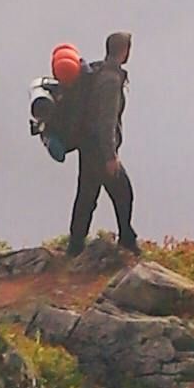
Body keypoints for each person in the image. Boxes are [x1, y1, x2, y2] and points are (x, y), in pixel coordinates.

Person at [65, 29, 136, 254]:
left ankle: (75, 246)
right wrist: (110, 156)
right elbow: (106, 121)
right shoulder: (111, 81)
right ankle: (127, 239)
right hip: (99, 149)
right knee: (123, 192)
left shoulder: (97, 72)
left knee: (86, 195)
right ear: (124, 52)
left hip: (87, 144)